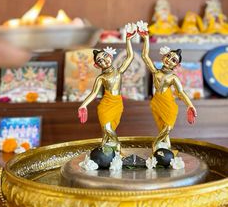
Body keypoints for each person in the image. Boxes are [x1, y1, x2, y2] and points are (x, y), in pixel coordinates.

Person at [78, 23, 136, 151]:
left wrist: (128, 39)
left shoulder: (119, 71)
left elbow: (130, 56)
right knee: (107, 128)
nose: (104, 61)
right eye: (100, 61)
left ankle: (105, 152)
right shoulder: (101, 78)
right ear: (97, 66)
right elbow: (93, 93)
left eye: (104, 57)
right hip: (105, 106)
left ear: (110, 56)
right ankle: (119, 149)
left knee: (107, 132)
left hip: (117, 104)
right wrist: (84, 105)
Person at [139, 24, 197, 152]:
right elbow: (145, 56)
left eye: (174, 60)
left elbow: (181, 92)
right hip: (156, 103)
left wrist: (190, 105)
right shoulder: (156, 72)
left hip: (169, 106)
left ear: (177, 65)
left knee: (167, 128)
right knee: (162, 129)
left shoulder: (173, 78)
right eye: (169, 56)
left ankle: (155, 146)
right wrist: (146, 38)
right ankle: (167, 151)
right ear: (163, 56)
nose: (169, 60)